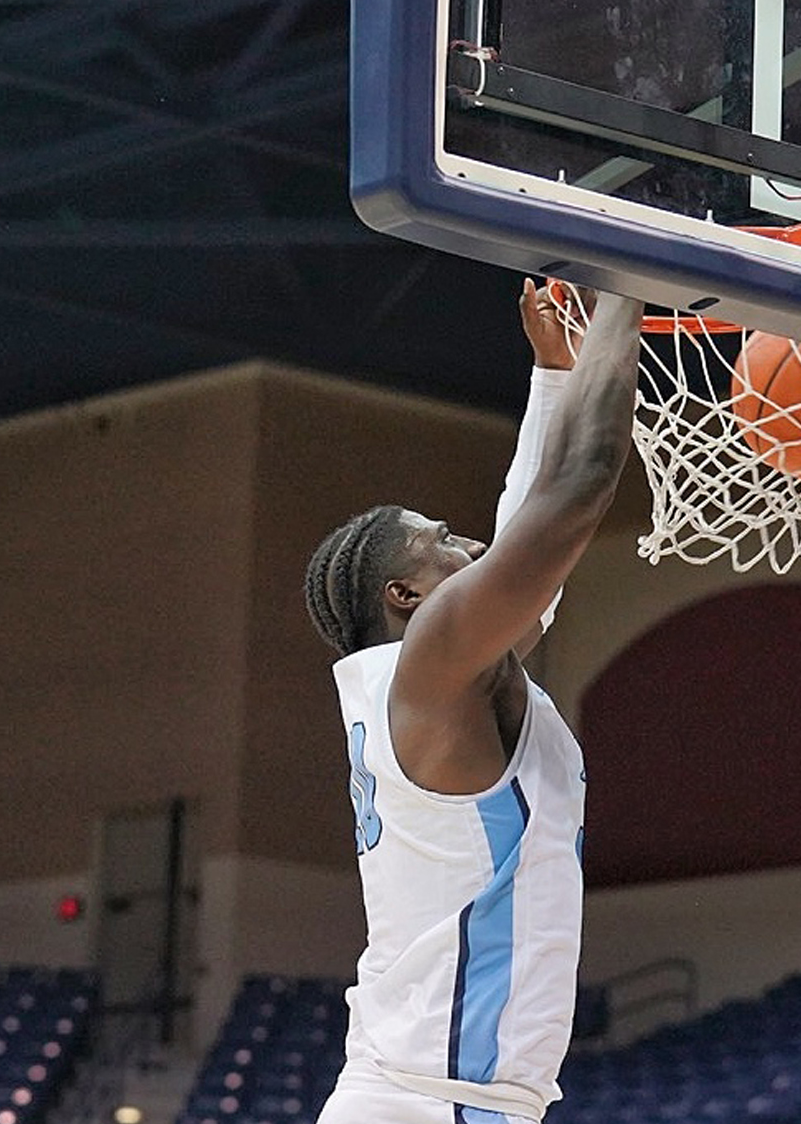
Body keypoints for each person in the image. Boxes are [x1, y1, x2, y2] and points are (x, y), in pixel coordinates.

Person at [302, 280, 645, 1124]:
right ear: (406, 596)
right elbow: (578, 487)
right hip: (428, 1101)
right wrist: (633, 280)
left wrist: (554, 378)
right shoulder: (431, 670)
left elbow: (533, 576)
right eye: (441, 543)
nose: (472, 546)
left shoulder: (433, 679)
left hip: (432, 1098)